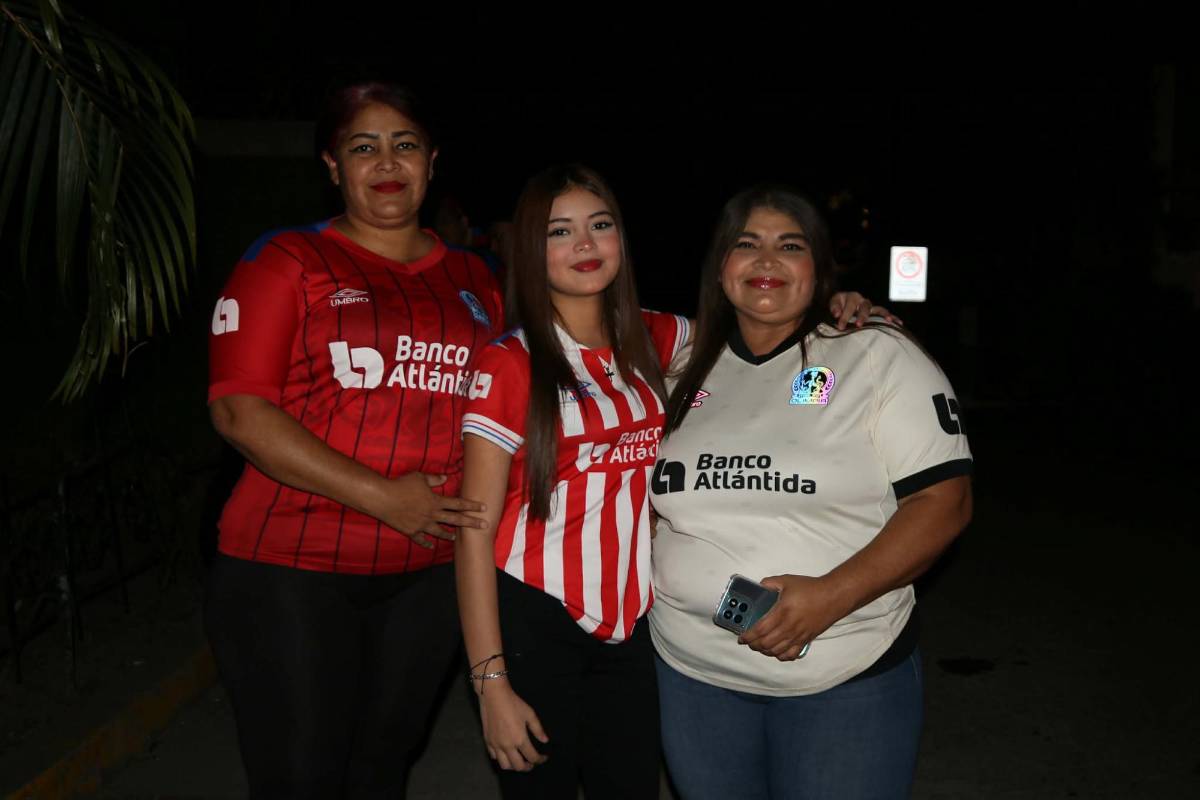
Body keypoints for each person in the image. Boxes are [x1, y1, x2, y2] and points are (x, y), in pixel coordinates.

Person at [454, 166, 888, 799]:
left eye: (600, 226)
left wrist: (837, 306)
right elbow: (473, 533)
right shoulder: (509, 362)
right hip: (534, 618)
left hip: (635, 623)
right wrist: (490, 684)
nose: (585, 244)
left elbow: (764, 332)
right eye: (560, 231)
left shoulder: (664, 338)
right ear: (529, 248)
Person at [205, 82, 502, 799]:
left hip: (430, 574)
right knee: (302, 775)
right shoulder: (285, 261)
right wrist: (383, 498)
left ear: (432, 160)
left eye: (404, 144)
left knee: (382, 768)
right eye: (362, 147)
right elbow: (240, 413)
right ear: (333, 167)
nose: (386, 161)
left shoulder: (476, 279)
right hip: (291, 566)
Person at [649, 185, 973, 799]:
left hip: (845, 679)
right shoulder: (678, 366)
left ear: (820, 270)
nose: (766, 260)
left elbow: (944, 502)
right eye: (747, 244)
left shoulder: (875, 355)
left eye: (789, 245)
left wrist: (828, 598)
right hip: (692, 678)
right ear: (722, 268)